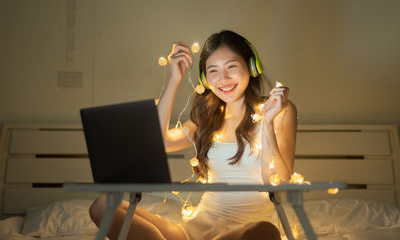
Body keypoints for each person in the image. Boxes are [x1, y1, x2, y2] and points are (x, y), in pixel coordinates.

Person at [89, 30, 297, 240]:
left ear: (252, 67)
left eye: (231, 66)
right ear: (205, 79)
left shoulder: (280, 111)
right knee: (102, 206)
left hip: (243, 233)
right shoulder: (208, 116)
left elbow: (276, 181)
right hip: (193, 231)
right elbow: (158, 144)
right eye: (213, 70)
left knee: (267, 232)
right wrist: (174, 81)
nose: (223, 79)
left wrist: (268, 123)